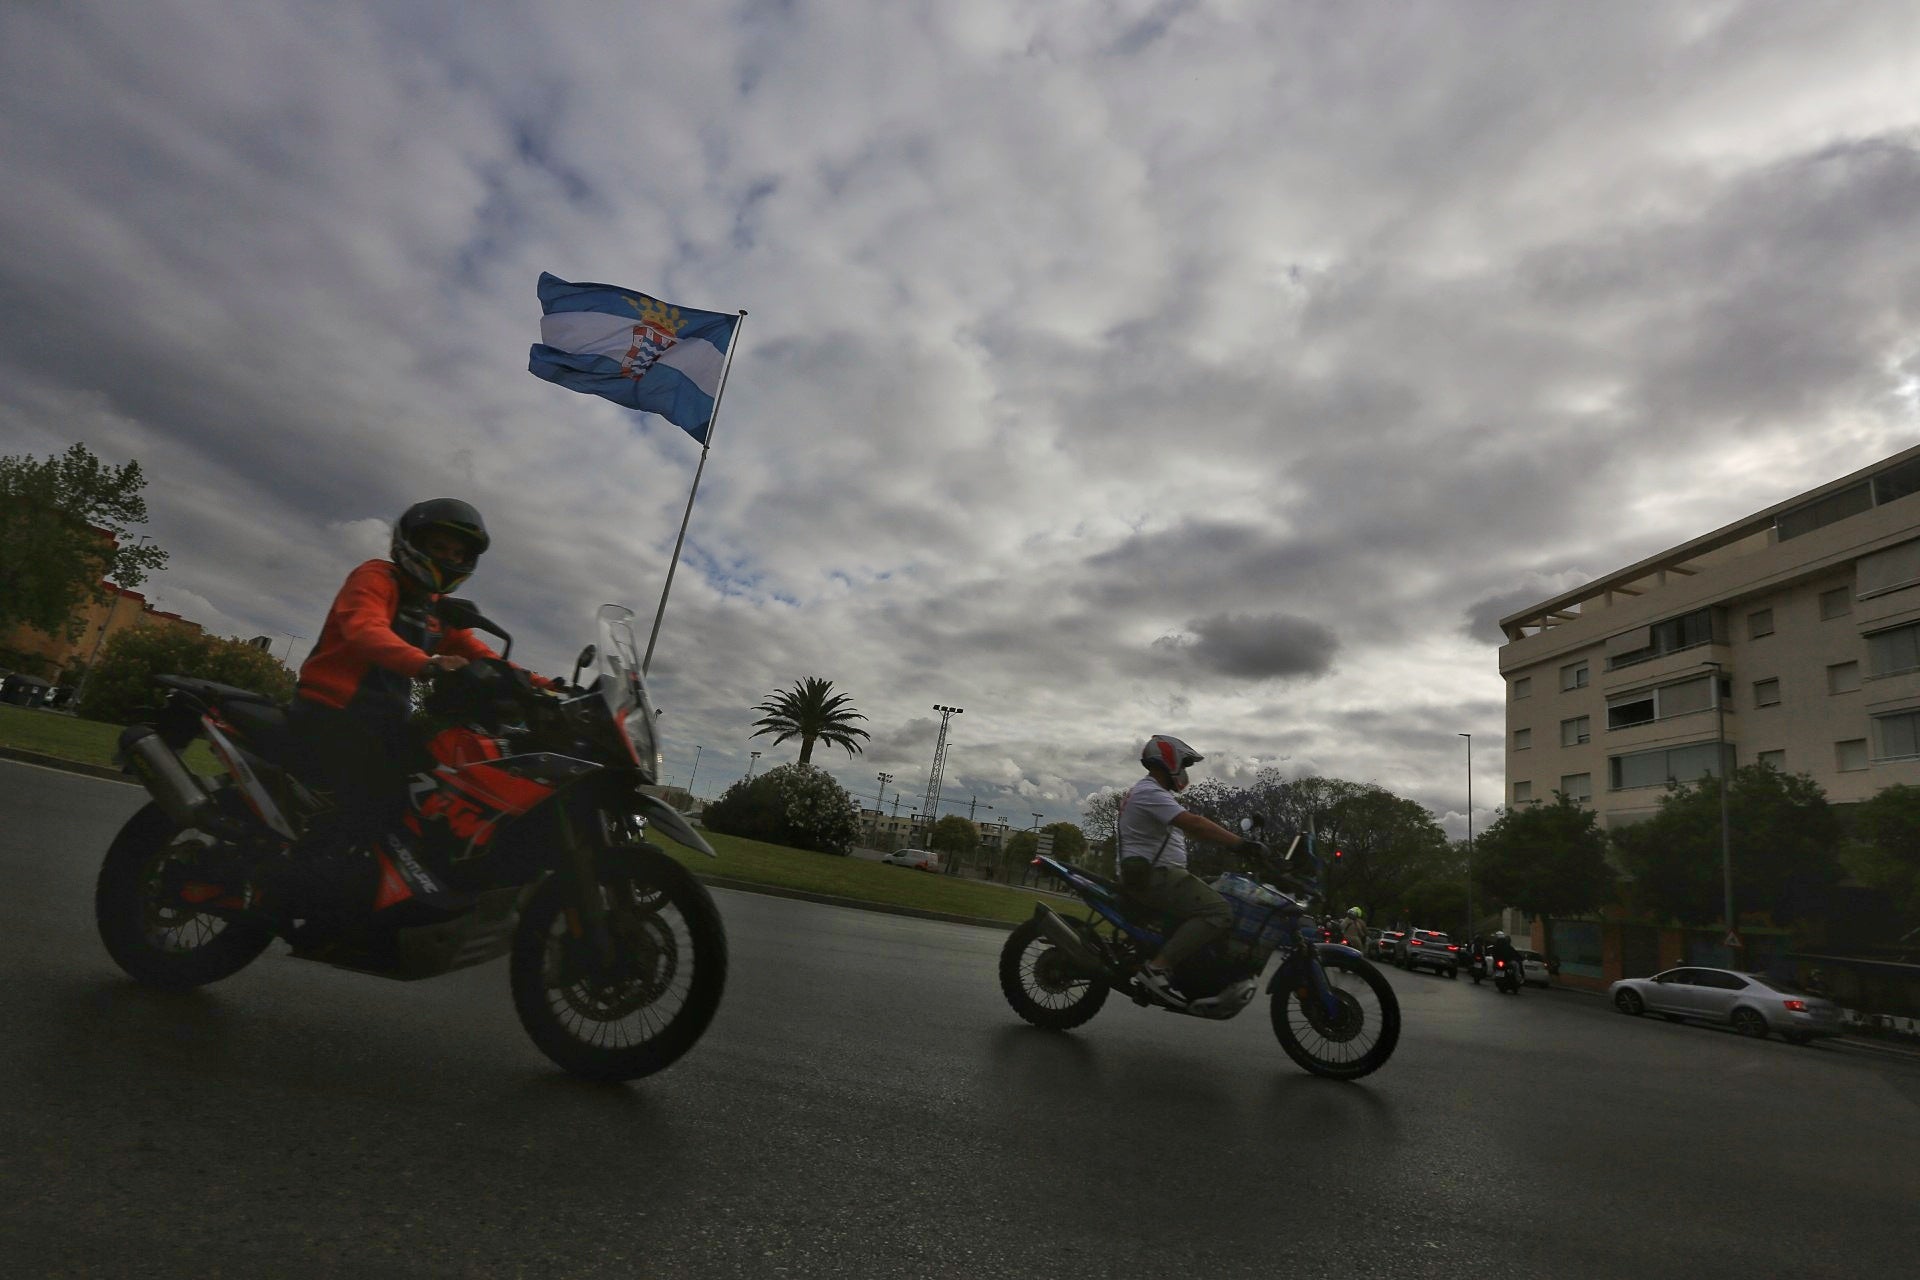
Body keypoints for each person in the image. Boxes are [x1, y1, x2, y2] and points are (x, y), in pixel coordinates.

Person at [262, 498, 526, 936]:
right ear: (411, 542)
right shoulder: (377, 577)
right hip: (332, 709)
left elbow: (481, 655)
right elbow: (365, 629)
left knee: (438, 784)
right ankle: (314, 884)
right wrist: (427, 662)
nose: (448, 558)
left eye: (458, 554)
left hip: (385, 721)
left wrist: (544, 685)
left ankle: (392, 882)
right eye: (439, 546)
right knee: (382, 790)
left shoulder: (435, 607)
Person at [1119, 735, 1268, 1006]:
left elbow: (1196, 831)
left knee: (1219, 887)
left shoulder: (1152, 793)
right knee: (1220, 910)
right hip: (1157, 877)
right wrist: (1241, 844)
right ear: (1169, 761)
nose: (1185, 772)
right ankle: (1157, 967)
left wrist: (1229, 845)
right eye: (1184, 765)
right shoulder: (1150, 792)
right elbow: (1195, 824)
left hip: (1158, 874)